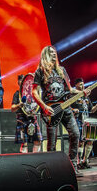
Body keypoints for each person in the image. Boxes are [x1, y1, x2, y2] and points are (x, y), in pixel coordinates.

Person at [32, 46, 86, 174]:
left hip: (65, 107)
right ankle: (51, 169)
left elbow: (70, 89)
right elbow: (34, 92)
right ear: (45, 55)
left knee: (75, 134)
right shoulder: (40, 71)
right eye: (51, 52)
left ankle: (73, 166)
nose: (54, 54)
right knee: (52, 142)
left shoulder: (61, 70)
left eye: (54, 52)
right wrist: (44, 107)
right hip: (51, 110)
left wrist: (82, 92)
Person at [72, 78, 97, 168]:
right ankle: (78, 162)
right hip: (79, 120)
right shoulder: (73, 96)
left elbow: (91, 110)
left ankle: (85, 161)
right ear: (76, 85)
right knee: (81, 142)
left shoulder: (86, 97)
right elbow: (67, 107)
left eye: (83, 84)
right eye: (80, 84)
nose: (82, 86)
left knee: (90, 141)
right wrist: (73, 109)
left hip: (87, 121)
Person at [11, 74, 42, 154]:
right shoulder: (17, 94)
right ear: (18, 82)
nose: (23, 83)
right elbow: (12, 108)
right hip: (22, 119)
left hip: (32, 118)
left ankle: (35, 159)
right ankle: (24, 159)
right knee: (24, 143)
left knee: (38, 141)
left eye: (25, 81)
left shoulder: (33, 94)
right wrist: (19, 105)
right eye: (21, 81)